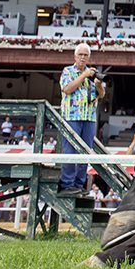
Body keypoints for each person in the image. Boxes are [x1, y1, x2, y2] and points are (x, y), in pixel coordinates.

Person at [57, 44, 105, 197]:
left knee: (86, 151)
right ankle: (67, 184)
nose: (83, 57)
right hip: (72, 116)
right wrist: (84, 75)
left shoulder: (92, 74)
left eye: (86, 55)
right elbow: (67, 89)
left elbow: (101, 95)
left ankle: (79, 184)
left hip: (89, 117)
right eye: (80, 55)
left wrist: (98, 86)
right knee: (70, 150)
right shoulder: (68, 71)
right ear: (75, 56)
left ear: (89, 57)